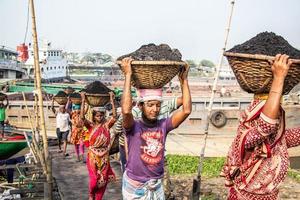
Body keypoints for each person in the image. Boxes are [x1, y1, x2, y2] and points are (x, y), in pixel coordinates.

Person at [221, 54, 300, 200]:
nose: (275, 119)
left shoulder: (274, 139)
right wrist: (278, 78)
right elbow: (266, 126)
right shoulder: (245, 138)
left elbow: (287, 138)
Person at [120, 57, 192, 199]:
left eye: (158, 105)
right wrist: (128, 75)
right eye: (150, 105)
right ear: (141, 106)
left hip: (156, 185)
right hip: (135, 186)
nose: (155, 109)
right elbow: (126, 111)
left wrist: (184, 80)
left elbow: (186, 110)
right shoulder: (133, 127)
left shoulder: (163, 125)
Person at [81, 91, 117, 200]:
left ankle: (98, 198)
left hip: (105, 156)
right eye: (97, 115)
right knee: (94, 179)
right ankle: (91, 193)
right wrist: (83, 100)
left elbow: (114, 116)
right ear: (94, 116)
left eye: (101, 115)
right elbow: (82, 117)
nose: (100, 117)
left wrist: (111, 100)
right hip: (93, 155)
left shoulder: (106, 126)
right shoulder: (90, 126)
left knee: (103, 179)